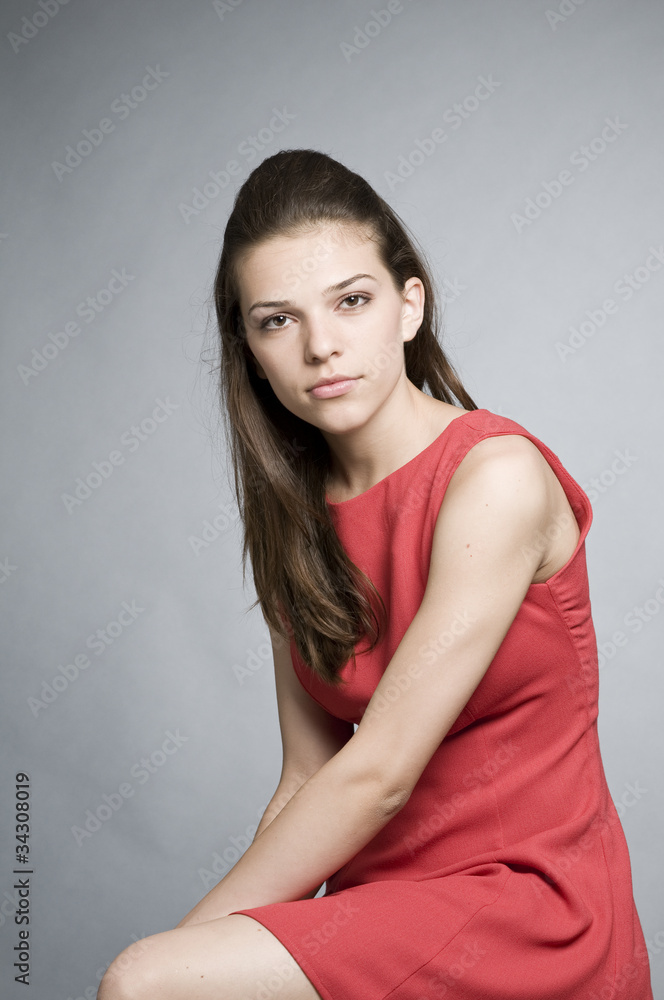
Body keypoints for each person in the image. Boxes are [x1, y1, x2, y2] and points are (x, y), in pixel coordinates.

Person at [97, 149, 653, 1000]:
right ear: (248, 349)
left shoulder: (495, 477)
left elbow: (381, 771)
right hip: (379, 907)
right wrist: (209, 954)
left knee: (146, 981)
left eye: (351, 301)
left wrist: (171, 962)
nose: (321, 346)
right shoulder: (294, 517)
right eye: (277, 321)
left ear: (409, 305)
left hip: (528, 908)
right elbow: (306, 777)